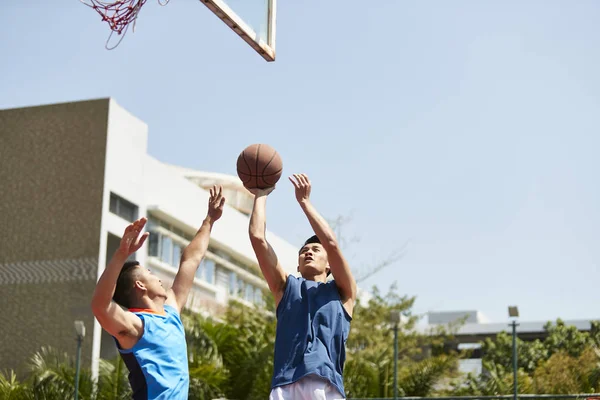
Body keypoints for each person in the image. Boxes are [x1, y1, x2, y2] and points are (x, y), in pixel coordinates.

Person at [91, 186, 225, 400]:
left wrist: (209, 220)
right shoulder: (135, 325)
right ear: (140, 286)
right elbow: (100, 306)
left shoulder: (171, 311)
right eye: (150, 273)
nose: (159, 279)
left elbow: (190, 260)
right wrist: (121, 255)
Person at [248, 173, 357, 400]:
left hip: (326, 385)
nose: (308, 251)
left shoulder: (343, 293)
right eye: (304, 251)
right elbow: (258, 238)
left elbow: (331, 243)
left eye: (315, 250)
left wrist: (305, 202)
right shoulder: (286, 288)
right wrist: (260, 194)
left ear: (329, 265)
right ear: (298, 264)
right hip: (285, 385)